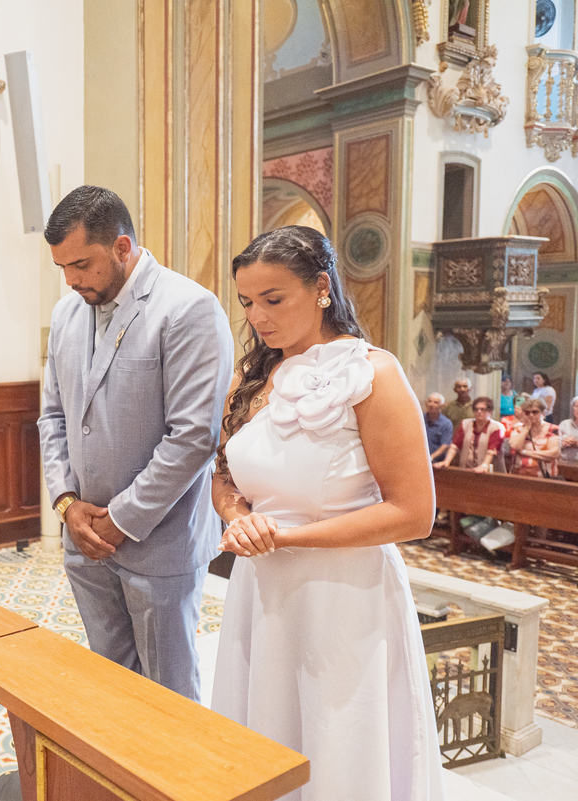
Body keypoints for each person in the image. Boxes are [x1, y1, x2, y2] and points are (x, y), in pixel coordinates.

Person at [209, 225, 443, 801]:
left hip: (344, 595)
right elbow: (224, 475)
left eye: (273, 299)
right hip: (263, 589)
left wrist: (286, 537)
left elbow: (414, 513)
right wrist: (239, 516)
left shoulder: (374, 374)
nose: (257, 317)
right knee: (266, 733)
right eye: (246, 302)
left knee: (339, 739)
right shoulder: (250, 377)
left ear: (321, 288)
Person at [38, 185, 234, 701]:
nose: (71, 280)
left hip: (159, 543)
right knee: (112, 689)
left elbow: (192, 437)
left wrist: (120, 519)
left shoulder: (188, 309)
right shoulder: (66, 314)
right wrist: (67, 504)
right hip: (85, 540)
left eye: (81, 264)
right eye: (62, 267)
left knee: (168, 697)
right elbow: (53, 416)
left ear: (122, 247)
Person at [435, 396, 504, 473]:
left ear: (490, 411)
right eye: (476, 409)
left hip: (490, 472)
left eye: (482, 409)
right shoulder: (465, 424)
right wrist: (447, 461)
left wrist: (484, 465)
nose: (479, 412)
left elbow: (492, 450)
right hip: (466, 469)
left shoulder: (496, 427)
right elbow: (455, 445)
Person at [508, 398, 561, 478]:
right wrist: (526, 429)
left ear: (543, 413)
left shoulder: (552, 429)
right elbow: (515, 446)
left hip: (545, 478)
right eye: (527, 413)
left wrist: (526, 452)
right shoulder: (518, 428)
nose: (531, 415)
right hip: (520, 477)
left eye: (535, 412)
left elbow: (554, 453)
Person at [423, 392, 453, 464]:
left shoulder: (446, 423)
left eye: (435, 402)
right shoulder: (419, 419)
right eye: (429, 401)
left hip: (437, 463)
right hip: (419, 460)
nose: (431, 404)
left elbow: (445, 445)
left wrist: (430, 457)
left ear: (442, 406)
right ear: (426, 403)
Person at [559, 397, 578, 463]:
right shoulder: (564, 424)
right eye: (577, 406)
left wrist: (576, 444)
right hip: (563, 463)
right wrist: (564, 443)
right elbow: (555, 445)